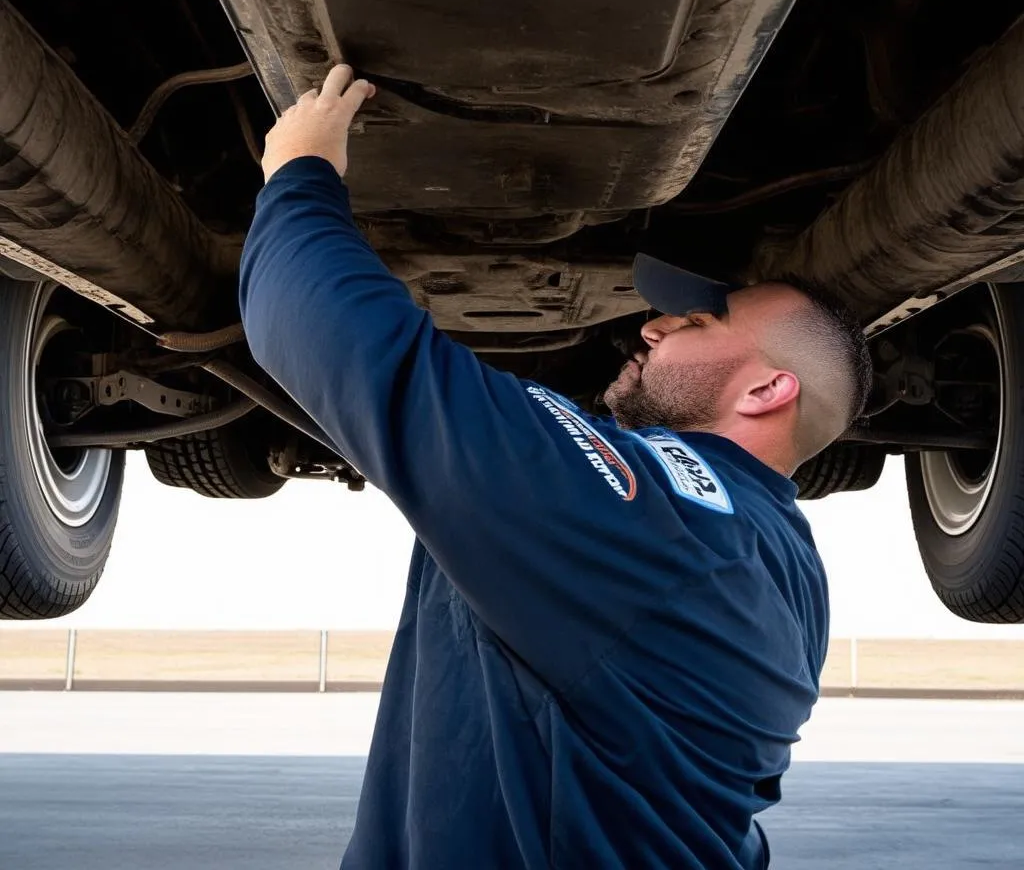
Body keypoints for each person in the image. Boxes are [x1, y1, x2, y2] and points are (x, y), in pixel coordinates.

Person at [239, 65, 873, 869]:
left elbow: (340, 342)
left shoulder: (652, 516)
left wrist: (299, 170)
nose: (653, 329)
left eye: (696, 323)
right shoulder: (786, 562)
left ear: (767, 388)